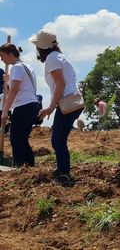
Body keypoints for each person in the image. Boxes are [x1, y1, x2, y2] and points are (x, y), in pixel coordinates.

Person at [30, 29, 83, 186]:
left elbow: (60, 84)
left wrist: (51, 107)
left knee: (58, 140)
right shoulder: (59, 56)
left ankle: (64, 174)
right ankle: (63, 170)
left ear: (42, 47)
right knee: (59, 139)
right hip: (72, 101)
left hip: (67, 103)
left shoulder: (52, 59)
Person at [0, 43, 39, 167]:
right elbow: (13, 88)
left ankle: (20, 166)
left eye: (2, 56)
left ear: (10, 54)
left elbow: (14, 91)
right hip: (31, 104)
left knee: (16, 139)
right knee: (21, 139)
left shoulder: (17, 68)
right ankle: (29, 166)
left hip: (23, 105)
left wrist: (5, 110)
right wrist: (7, 82)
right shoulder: (27, 66)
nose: (1, 59)